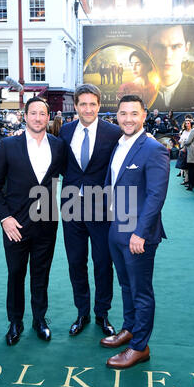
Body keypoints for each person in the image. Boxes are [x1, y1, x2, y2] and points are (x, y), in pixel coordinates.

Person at [100, 94, 170, 369]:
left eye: (134, 114)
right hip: (117, 226)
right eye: (123, 113)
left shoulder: (153, 148)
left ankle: (140, 347)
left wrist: (140, 233)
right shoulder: (119, 144)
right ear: (116, 116)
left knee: (141, 291)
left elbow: (156, 195)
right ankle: (129, 329)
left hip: (138, 233)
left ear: (144, 116)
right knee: (126, 285)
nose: (128, 119)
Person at [0, 97, 66, 346]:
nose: (37, 118)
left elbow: (73, 176)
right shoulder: (8, 145)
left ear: (48, 117)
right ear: (25, 116)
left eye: (42, 114)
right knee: (16, 274)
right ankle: (15, 321)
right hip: (15, 224)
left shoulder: (58, 145)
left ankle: (39, 320)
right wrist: (4, 218)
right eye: (33, 113)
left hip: (46, 222)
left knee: (41, 273)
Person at [58, 83, 122, 337]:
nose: (87, 108)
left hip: (102, 207)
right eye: (82, 104)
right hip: (71, 205)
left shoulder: (113, 132)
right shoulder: (65, 131)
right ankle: (82, 312)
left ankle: (102, 313)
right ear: (76, 106)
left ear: (99, 106)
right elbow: (60, 164)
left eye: (92, 104)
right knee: (76, 261)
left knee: (103, 262)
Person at [148, 25, 194, 111]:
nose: (167, 56)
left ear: (187, 48)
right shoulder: (136, 89)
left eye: (175, 46)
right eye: (159, 47)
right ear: (148, 48)